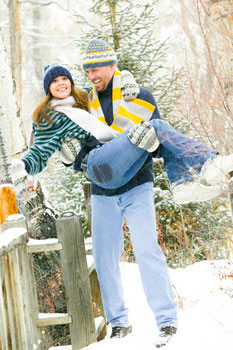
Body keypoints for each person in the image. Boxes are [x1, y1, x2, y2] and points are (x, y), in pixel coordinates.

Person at [11, 54, 233, 347]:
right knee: (105, 258)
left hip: (131, 178)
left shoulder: (85, 102)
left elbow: (135, 121)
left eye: (65, 77)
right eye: (54, 81)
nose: (62, 83)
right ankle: (204, 165)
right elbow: (41, 150)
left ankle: (166, 322)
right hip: (102, 173)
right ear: (47, 89)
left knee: (147, 250)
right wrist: (24, 167)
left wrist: (131, 85)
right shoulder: (51, 115)